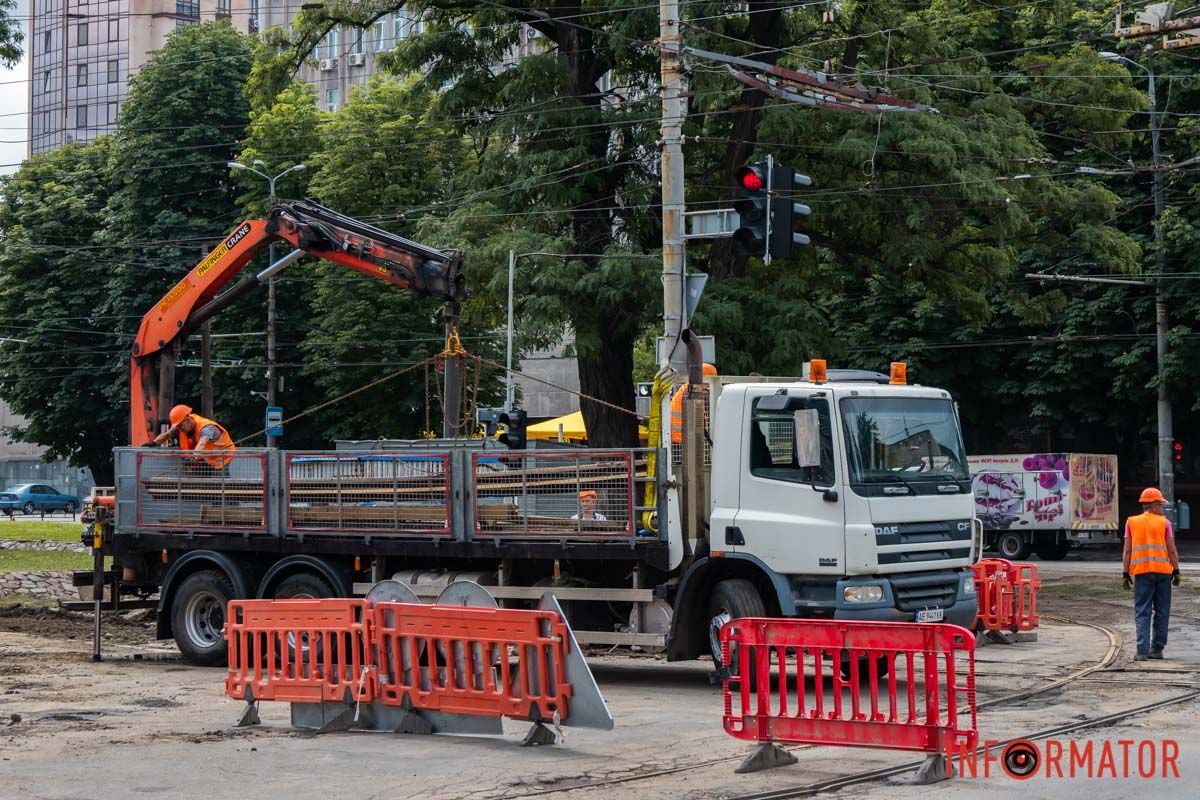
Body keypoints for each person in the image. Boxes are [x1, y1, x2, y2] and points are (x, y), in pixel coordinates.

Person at [1122, 487, 1181, 661]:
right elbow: (1172, 549)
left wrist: (1125, 573)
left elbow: (1127, 550)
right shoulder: (1165, 523)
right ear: (1154, 505)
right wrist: (1176, 570)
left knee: (1142, 611)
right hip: (1163, 573)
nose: (1162, 508)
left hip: (1142, 573)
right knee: (1162, 611)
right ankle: (1157, 650)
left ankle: (1142, 652)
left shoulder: (1131, 522)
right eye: (1160, 505)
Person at [153, 404, 236, 471]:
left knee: (221, 482)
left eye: (181, 426)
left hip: (224, 457)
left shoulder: (206, 428)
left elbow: (202, 444)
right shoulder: (180, 425)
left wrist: (192, 458)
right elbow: (165, 436)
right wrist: (154, 442)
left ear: (188, 420)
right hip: (209, 459)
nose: (180, 429)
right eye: (177, 427)